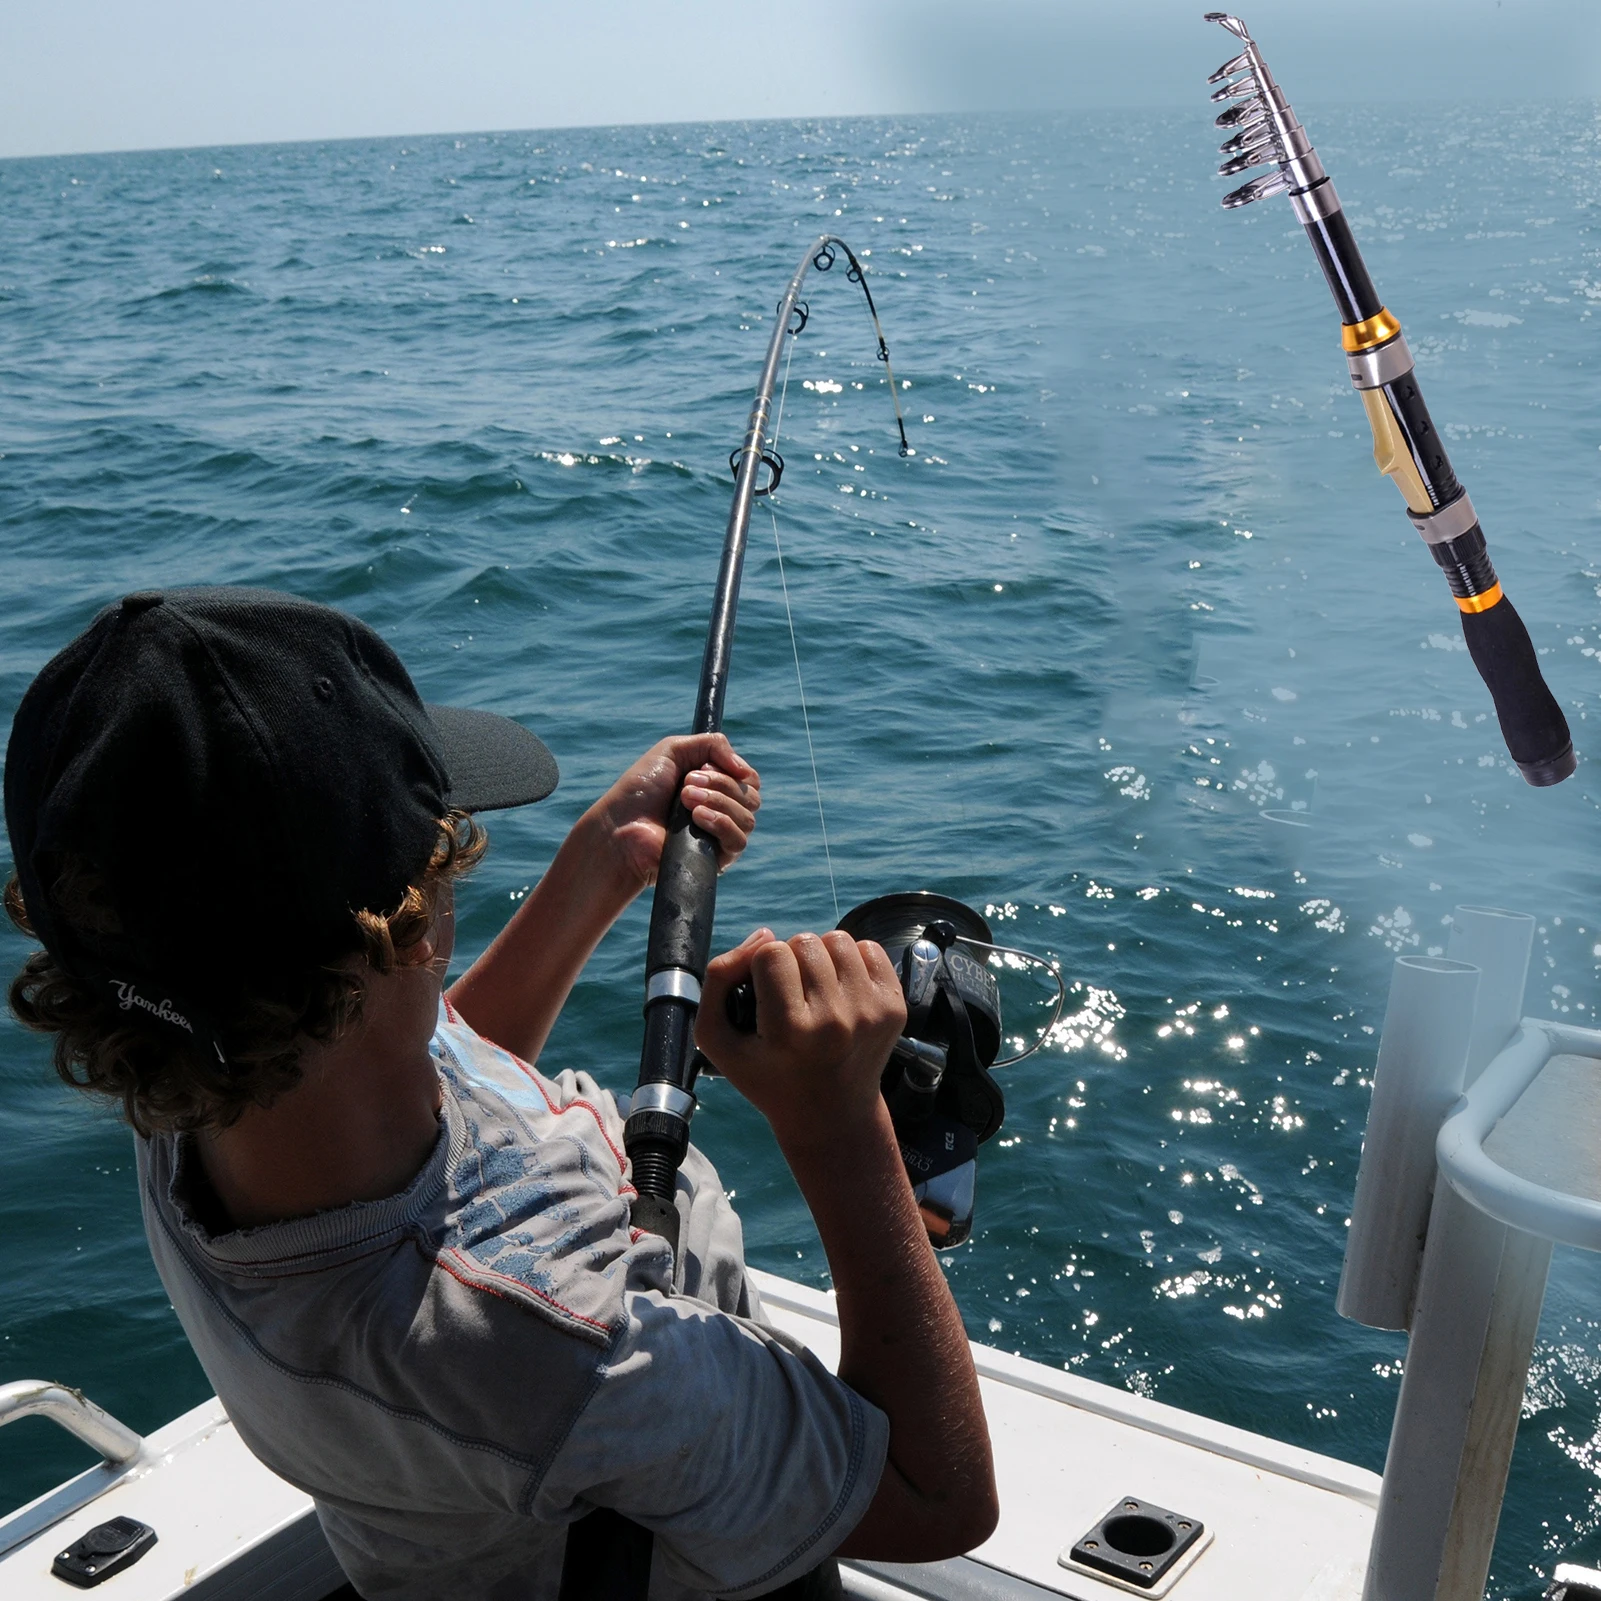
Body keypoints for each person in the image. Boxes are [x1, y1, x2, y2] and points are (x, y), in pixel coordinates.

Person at [3, 586, 998, 1599]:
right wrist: (834, 1120)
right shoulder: (557, 1348)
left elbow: (417, 1064)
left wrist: (601, 864)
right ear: (404, 934)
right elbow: (935, 1497)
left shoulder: (189, 1072)